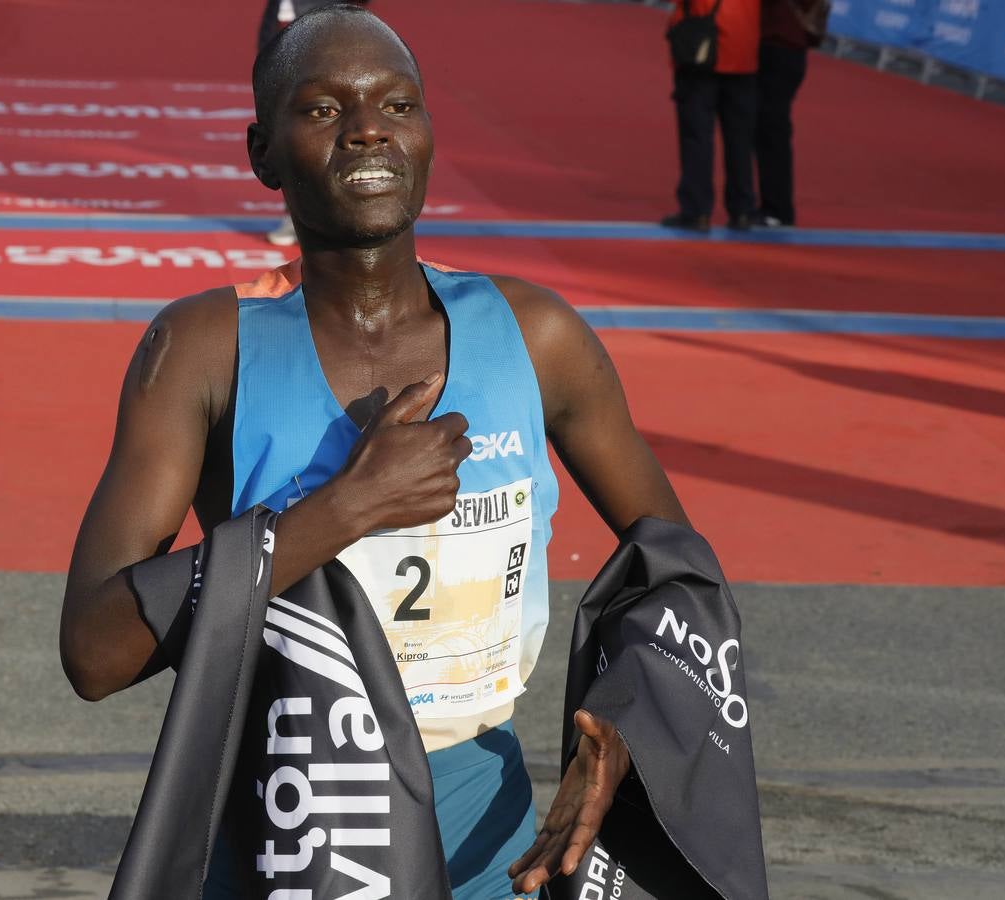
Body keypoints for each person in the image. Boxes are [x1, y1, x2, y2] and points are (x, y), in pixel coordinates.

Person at [61, 6, 690, 897]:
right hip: (288, 818)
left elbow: (675, 568)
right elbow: (94, 650)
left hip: (487, 832)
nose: (367, 130)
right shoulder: (203, 349)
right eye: (323, 110)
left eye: (397, 105)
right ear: (261, 152)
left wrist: (626, 724)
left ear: (428, 132)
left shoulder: (534, 334)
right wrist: (339, 511)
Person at [257, 0, 370, 247]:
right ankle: (297, 217)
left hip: (328, 58)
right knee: (291, 143)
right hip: (281, 53)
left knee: (331, 142)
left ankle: (348, 216)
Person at [661, 0, 761, 233]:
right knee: (740, 139)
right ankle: (743, 209)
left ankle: (697, 210)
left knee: (697, 135)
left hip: (704, 50)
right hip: (743, 52)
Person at [754, 0, 823, 228]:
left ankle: (777, 209)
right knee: (763, 130)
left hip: (780, 46)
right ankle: (771, 205)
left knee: (772, 130)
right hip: (781, 45)